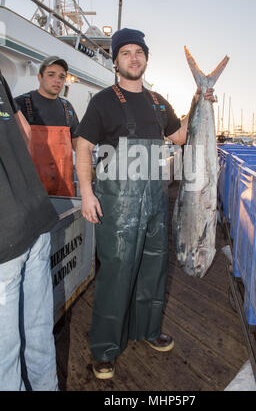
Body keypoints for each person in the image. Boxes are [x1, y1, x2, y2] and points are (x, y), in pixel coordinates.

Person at [75, 28, 215, 380]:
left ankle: (148, 330)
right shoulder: (103, 101)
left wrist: (200, 103)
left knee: (154, 270)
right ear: (116, 60)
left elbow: (180, 136)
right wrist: (87, 193)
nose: (134, 57)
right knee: (117, 275)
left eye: (139, 52)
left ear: (146, 59)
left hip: (154, 201)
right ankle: (105, 348)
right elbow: (84, 147)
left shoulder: (157, 101)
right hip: (117, 205)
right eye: (126, 53)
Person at [0, 70, 59, 391]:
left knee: (3, 359)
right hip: (34, 217)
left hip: (4, 241)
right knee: (38, 332)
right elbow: (24, 132)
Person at [15, 56, 79, 197]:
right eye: (51, 75)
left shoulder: (67, 108)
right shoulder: (20, 105)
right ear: (39, 77)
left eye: (62, 77)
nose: (57, 80)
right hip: (31, 191)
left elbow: (78, 146)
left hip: (64, 191)